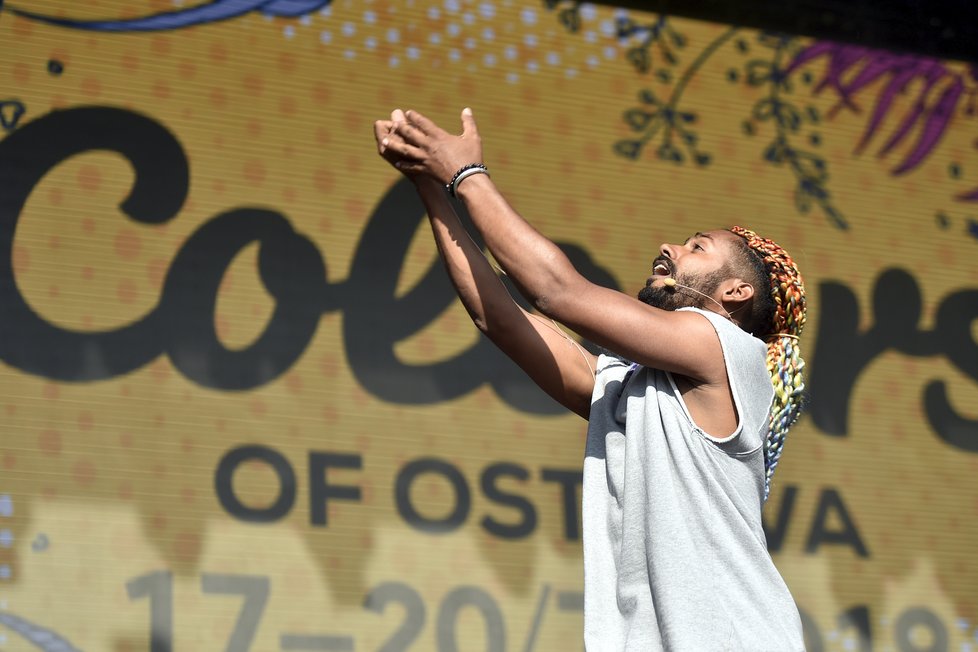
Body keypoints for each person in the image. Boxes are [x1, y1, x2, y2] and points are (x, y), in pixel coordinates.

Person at [374, 108, 807, 650]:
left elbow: (557, 292)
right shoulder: (638, 389)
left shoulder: (726, 350)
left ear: (736, 293)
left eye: (696, 247)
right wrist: (430, 187)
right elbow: (500, 319)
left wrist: (465, 176)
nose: (670, 248)